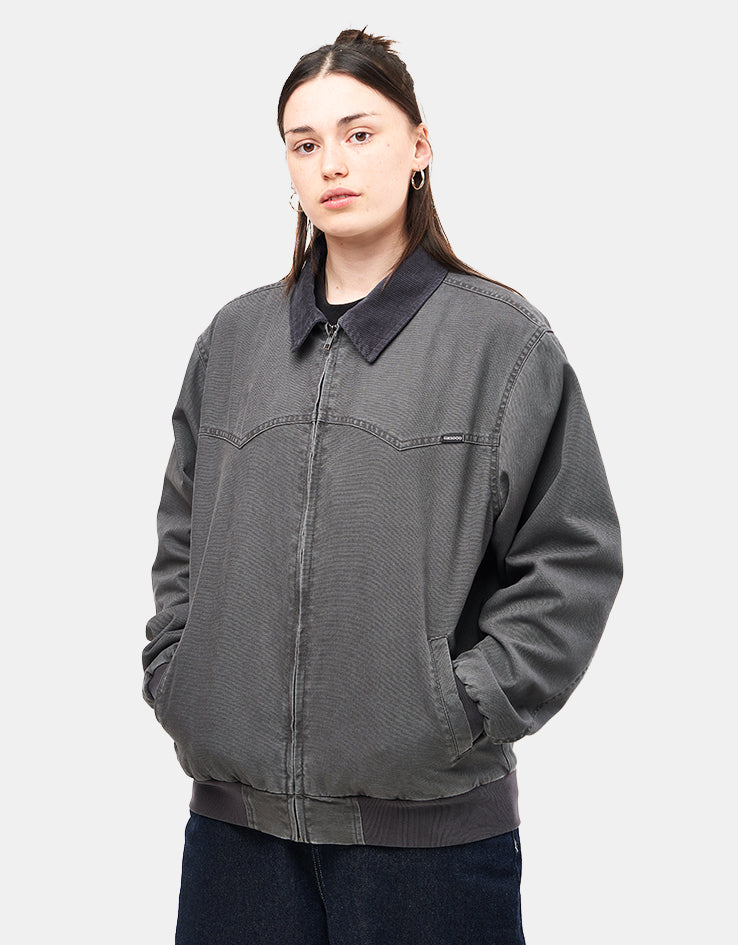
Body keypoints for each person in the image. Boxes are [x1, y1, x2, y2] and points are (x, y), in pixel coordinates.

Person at [142, 27, 623, 945]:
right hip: (236, 837)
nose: (332, 163)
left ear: (419, 147)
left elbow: (572, 559)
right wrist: (180, 671)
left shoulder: (502, 343)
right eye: (305, 142)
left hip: (428, 844)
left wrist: (458, 708)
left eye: (360, 133)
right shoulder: (233, 341)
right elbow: (182, 534)